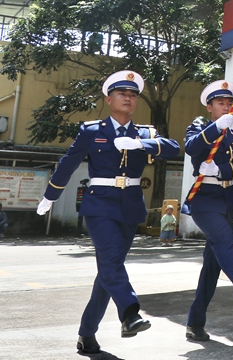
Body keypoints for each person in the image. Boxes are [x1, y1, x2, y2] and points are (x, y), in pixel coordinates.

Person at [35, 70, 180, 355]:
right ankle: (130, 314)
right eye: (122, 93)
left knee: (107, 272)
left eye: (133, 94)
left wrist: (141, 144)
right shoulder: (92, 131)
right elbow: (68, 163)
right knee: (112, 264)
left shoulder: (144, 133)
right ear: (109, 98)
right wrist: (50, 195)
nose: (128, 98)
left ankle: (86, 334)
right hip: (99, 205)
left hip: (130, 206)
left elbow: (173, 148)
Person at [183, 80, 233, 342]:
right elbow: (192, 147)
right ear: (210, 107)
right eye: (221, 103)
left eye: (230, 103)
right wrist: (215, 129)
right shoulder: (199, 128)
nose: (227, 107)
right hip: (204, 199)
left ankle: (195, 323)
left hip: (229, 197)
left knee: (212, 265)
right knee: (225, 241)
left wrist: (220, 171)